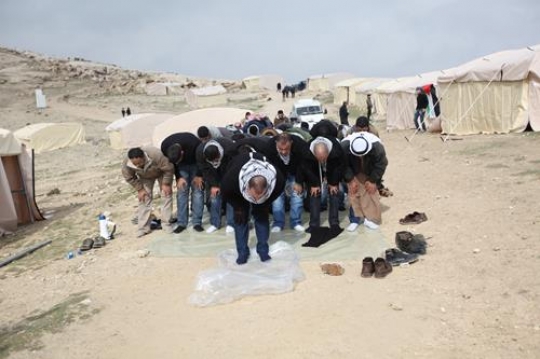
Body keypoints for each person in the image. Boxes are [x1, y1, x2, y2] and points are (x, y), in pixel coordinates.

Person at [221, 152, 285, 264]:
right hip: (237, 194)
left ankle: (263, 250)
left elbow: (279, 190)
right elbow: (225, 193)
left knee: (261, 217)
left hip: (265, 196)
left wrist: (266, 202)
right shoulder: (231, 179)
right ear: (248, 186)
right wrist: (237, 207)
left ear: (267, 187)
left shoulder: (277, 178)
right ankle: (242, 252)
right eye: (254, 196)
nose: (256, 199)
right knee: (240, 219)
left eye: (260, 196)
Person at [122, 147, 174, 237]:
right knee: (144, 198)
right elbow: (129, 177)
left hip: (161, 173)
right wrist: (140, 189)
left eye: (139, 163)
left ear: (144, 157)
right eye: (135, 164)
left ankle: (166, 224)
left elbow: (168, 168)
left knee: (166, 194)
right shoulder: (127, 162)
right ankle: (143, 228)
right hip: (145, 177)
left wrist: (166, 184)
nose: (138, 165)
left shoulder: (156, 154)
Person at [341, 132, 388, 231]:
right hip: (353, 169)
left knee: (371, 192)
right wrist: (350, 179)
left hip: (370, 169)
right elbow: (342, 165)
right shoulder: (344, 146)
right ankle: (354, 220)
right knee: (353, 192)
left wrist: (373, 180)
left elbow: (381, 164)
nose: (360, 156)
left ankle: (369, 219)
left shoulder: (377, 147)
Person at [267, 133, 312, 233]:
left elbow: (303, 165)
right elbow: (269, 166)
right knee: (277, 198)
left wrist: (299, 181)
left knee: (297, 195)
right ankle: (278, 223)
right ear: (276, 143)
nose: (283, 152)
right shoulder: (269, 146)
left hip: (295, 171)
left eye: (286, 149)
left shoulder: (300, 145)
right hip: (277, 173)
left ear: (291, 143)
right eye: (280, 149)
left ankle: (296, 222)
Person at [160, 132, 204, 233]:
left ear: (182, 153)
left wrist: (199, 175)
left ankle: (197, 222)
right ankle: (182, 223)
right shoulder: (165, 146)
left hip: (195, 163)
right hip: (181, 168)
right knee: (182, 192)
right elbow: (172, 164)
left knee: (198, 192)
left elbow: (201, 160)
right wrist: (178, 177)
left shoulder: (194, 143)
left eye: (179, 159)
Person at [196, 137, 238, 233]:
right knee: (214, 197)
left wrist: (228, 183)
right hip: (213, 174)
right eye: (212, 161)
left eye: (216, 159)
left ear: (219, 153)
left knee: (230, 196)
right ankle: (215, 223)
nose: (215, 162)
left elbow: (235, 166)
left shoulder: (229, 147)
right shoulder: (200, 151)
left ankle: (231, 223)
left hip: (229, 171)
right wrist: (214, 185)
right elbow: (205, 170)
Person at [305, 136, 345, 232]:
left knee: (334, 192)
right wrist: (315, 183)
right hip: (314, 172)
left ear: (328, 152)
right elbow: (306, 168)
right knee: (314, 194)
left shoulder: (336, 150)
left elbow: (340, 167)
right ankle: (314, 224)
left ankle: (334, 223)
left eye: (324, 158)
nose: (322, 161)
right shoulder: (307, 151)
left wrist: (333, 182)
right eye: (319, 158)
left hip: (332, 170)